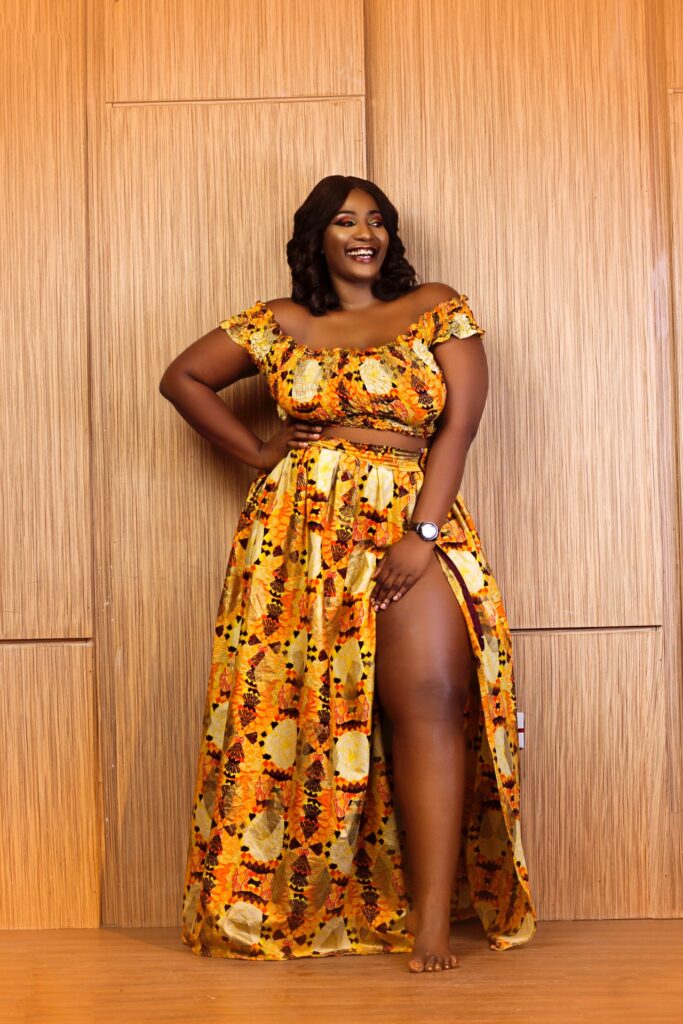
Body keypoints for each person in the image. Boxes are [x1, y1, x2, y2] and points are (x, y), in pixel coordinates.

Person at [160, 174, 537, 974]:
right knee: (296, 709)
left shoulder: (436, 304)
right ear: (316, 238)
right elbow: (182, 379)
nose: (363, 233)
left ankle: (433, 920)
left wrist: (423, 533)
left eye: (376, 221)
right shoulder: (278, 322)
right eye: (344, 221)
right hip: (294, 530)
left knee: (429, 696)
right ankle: (302, 899)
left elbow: (459, 426)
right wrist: (259, 452)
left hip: (407, 515)